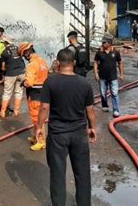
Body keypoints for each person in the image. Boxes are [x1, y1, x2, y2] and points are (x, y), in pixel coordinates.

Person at [36, 48, 97, 206]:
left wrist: (38, 127)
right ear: (74, 63)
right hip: (79, 134)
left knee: (57, 175)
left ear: (57, 63)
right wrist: (92, 128)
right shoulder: (84, 83)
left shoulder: (50, 82)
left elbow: (44, 108)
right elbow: (90, 110)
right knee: (82, 174)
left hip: (58, 135)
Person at [19, 42, 49, 151]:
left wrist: (22, 82)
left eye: (23, 55)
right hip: (43, 92)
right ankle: (35, 137)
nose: (24, 58)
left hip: (34, 94)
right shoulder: (42, 61)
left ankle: (41, 141)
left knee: (37, 118)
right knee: (37, 117)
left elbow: (29, 83)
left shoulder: (32, 65)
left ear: (27, 52)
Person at [94, 34, 124, 117]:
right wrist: (96, 73)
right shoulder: (99, 52)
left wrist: (121, 74)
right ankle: (105, 106)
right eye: (103, 42)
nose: (103, 44)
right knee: (103, 92)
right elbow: (95, 62)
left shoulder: (115, 52)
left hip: (113, 77)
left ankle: (116, 109)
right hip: (102, 77)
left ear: (109, 43)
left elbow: (120, 63)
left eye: (105, 42)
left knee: (114, 93)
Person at [0, 37, 25, 118]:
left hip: (10, 74)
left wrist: (3, 75)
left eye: (3, 43)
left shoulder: (4, 52)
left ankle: (2, 112)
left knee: (7, 92)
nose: (3, 45)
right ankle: (16, 111)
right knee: (18, 92)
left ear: (6, 43)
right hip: (21, 73)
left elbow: (3, 67)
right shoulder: (19, 49)